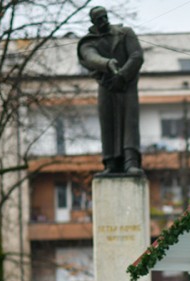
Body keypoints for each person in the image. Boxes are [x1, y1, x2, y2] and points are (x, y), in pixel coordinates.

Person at [77, 6, 144, 175]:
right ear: (93, 22)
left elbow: (136, 56)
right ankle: (110, 163)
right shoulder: (88, 42)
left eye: (105, 17)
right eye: (99, 19)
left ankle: (131, 161)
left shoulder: (125, 33)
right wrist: (107, 64)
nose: (104, 21)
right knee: (107, 124)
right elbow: (90, 57)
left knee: (130, 122)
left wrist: (122, 75)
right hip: (106, 87)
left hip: (127, 86)